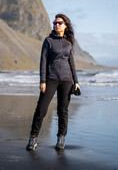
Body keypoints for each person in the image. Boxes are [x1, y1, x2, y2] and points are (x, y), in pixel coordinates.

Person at [26, 13, 80, 151]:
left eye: (59, 23)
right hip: (51, 79)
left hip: (67, 81)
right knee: (41, 109)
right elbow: (43, 61)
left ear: (65, 26)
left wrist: (76, 81)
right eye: (54, 23)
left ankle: (61, 139)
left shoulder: (68, 43)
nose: (56, 25)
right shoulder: (48, 41)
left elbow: (71, 63)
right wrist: (42, 80)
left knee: (63, 110)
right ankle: (33, 139)